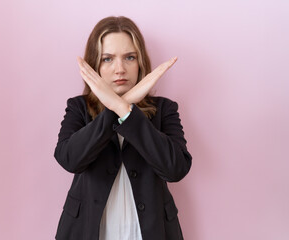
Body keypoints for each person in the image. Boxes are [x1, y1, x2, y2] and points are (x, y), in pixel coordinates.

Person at [54, 16, 192, 240]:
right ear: (95, 65)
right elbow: (70, 159)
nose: (120, 69)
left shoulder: (165, 109)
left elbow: (176, 168)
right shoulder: (78, 108)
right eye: (108, 59)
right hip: (89, 231)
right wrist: (116, 108)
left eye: (129, 57)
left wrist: (127, 113)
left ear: (140, 63)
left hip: (150, 231)